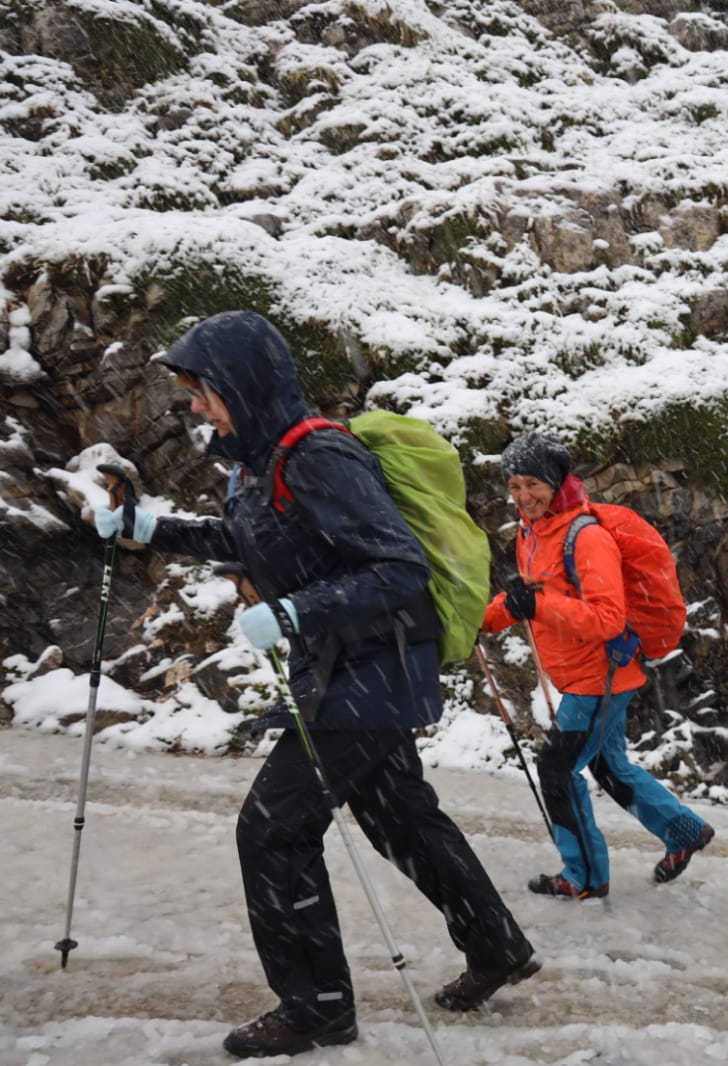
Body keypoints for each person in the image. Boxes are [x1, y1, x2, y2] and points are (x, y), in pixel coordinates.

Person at [94, 311, 538, 1058]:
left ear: (242, 383)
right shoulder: (260, 461)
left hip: (371, 667)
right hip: (348, 665)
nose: (196, 407)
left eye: (203, 391)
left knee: (272, 829)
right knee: (400, 815)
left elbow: (398, 566)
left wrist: (297, 610)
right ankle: (496, 947)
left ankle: (317, 1007)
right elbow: (250, 539)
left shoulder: (318, 456)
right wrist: (148, 527)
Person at [480, 433, 714, 900]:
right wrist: (481, 620)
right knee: (608, 765)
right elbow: (532, 597)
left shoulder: (586, 538)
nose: (523, 496)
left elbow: (606, 619)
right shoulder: (533, 533)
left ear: (555, 483)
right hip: (592, 675)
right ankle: (683, 831)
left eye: (532, 484)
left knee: (557, 770)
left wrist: (538, 605)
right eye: (515, 486)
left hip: (599, 676)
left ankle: (585, 877)